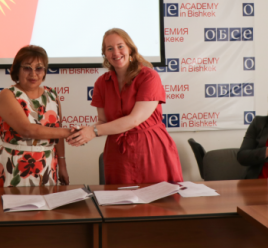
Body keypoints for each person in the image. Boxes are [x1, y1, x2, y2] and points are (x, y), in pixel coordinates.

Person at [67, 28, 183, 184]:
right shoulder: (101, 82)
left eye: (120, 46)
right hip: (117, 153)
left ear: (130, 49)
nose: (116, 52)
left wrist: (93, 132)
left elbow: (135, 119)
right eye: (109, 49)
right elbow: (103, 121)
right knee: (119, 198)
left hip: (151, 149)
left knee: (160, 198)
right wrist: (83, 133)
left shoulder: (149, 76)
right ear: (105, 54)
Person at [0, 45, 72, 187]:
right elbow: (27, 130)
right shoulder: (8, 95)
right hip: (15, 165)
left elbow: (57, 132)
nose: (33, 74)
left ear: (44, 71)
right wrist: (70, 132)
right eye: (27, 68)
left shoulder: (52, 95)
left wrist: (62, 164)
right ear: (17, 70)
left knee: (48, 202)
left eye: (39, 68)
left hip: (48, 165)